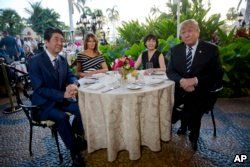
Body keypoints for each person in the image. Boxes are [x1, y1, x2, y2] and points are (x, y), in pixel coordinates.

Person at [28, 28, 86, 166]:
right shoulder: (35, 61)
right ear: (46, 42)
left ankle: (75, 135)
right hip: (43, 104)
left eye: (62, 40)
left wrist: (73, 84)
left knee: (82, 107)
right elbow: (39, 88)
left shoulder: (61, 59)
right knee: (62, 117)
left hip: (60, 100)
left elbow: (70, 75)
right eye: (56, 39)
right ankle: (75, 152)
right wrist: (63, 94)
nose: (60, 43)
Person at [167, 19, 223, 151]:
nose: (186, 35)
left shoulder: (211, 50)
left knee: (194, 103)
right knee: (167, 101)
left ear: (198, 32)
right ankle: (181, 123)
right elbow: (170, 71)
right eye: (183, 32)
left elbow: (216, 74)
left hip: (201, 90)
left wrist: (195, 81)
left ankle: (193, 135)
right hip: (180, 89)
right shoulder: (176, 50)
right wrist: (182, 81)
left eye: (190, 31)